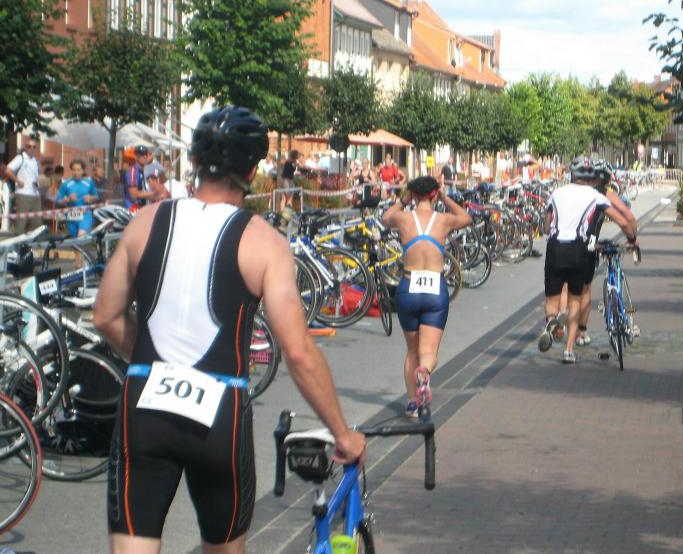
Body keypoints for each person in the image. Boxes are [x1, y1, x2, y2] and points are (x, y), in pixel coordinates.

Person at [93, 106, 365, 554]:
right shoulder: (265, 243)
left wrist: (154, 366)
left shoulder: (145, 222)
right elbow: (298, 352)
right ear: (253, 170)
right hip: (219, 411)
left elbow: (105, 315)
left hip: (144, 405)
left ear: (194, 161)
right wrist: (342, 433)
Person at [381, 176, 472, 417]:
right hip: (435, 290)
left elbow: (385, 218)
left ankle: (413, 402)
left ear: (413, 194)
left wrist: (403, 201)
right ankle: (425, 371)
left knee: (412, 350)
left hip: (409, 287)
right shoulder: (443, 220)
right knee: (428, 353)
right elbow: (466, 218)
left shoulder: (403, 218)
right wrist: (445, 198)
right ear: (434, 194)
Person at [538, 156, 637, 363]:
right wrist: (632, 239)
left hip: (555, 248)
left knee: (552, 299)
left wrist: (549, 230)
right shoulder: (596, 196)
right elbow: (622, 220)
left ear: (572, 175)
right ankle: (569, 350)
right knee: (575, 299)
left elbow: (547, 224)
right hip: (579, 249)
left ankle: (552, 320)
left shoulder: (557, 193)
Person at [574, 159, 638, 347]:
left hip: (566, 243)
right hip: (590, 243)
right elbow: (629, 217)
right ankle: (581, 332)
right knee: (585, 289)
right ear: (608, 179)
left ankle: (560, 321)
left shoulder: (577, 191)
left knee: (568, 288)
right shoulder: (605, 194)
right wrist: (633, 240)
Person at [7, 138, 43, 233]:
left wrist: (38, 182)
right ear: (25, 148)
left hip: (35, 193)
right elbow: (8, 170)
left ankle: (30, 240)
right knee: (21, 221)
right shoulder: (20, 158)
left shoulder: (35, 161)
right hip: (23, 193)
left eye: (34, 147)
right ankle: (18, 239)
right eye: (29, 146)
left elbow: (37, 176)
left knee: (36, 222)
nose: (31, 148)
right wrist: (18, 181)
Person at [124, 145, 157, 211]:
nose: (145, 156)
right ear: (136, 157)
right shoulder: (133, 171)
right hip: (132, 207)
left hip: (142, 206)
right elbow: (134, 194)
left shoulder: (144, 170)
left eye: (146, 154)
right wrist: (154, 193)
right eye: (141, 155)